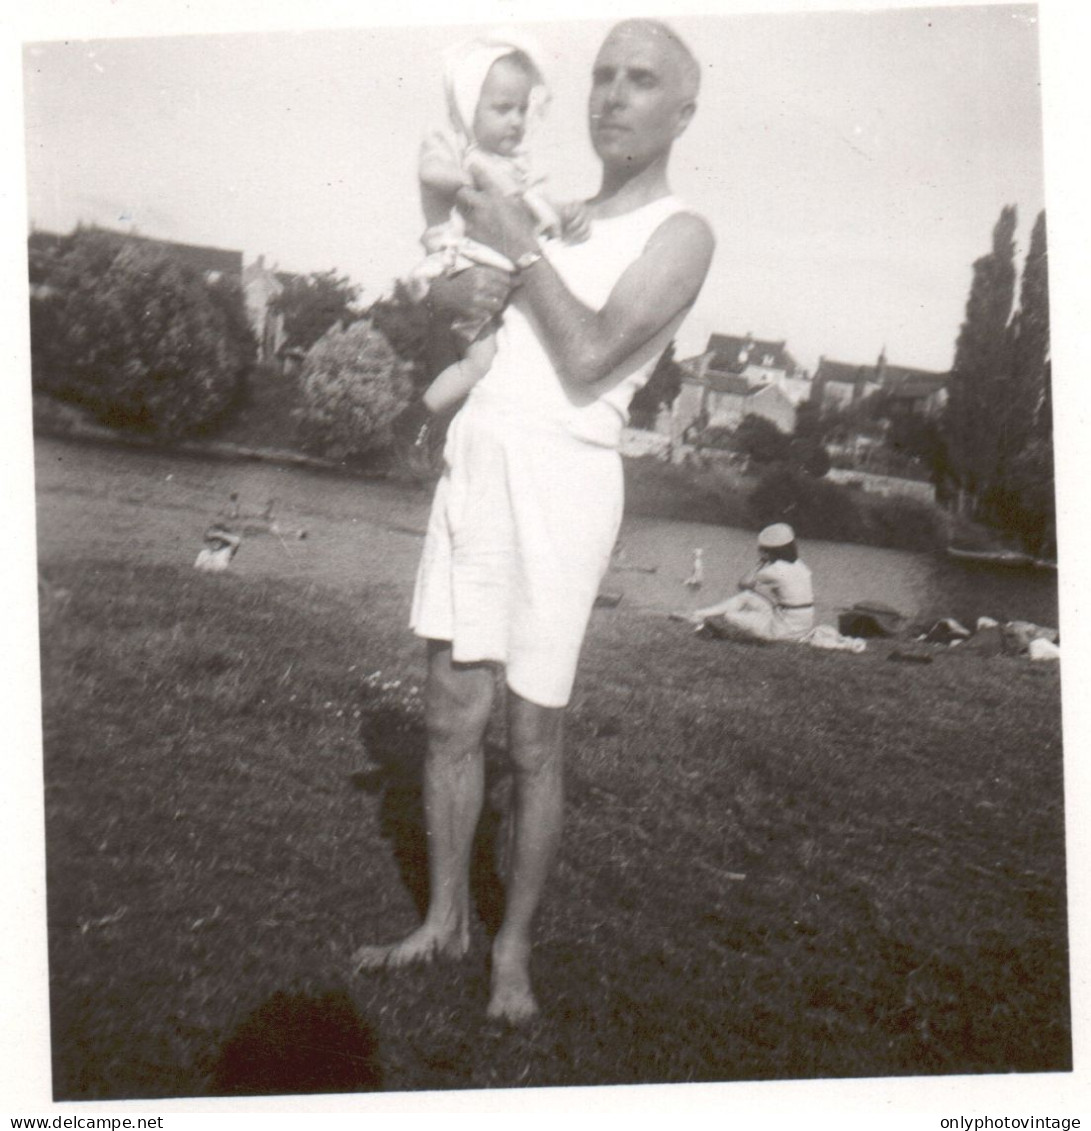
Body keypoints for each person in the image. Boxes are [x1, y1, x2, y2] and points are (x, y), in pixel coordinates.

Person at [353, 19, 715, 1024]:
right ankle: (442, 923)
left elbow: (594, 355)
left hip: (562, 485)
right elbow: (470, 306)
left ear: (681, 109)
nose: (610, 95)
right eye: (601, 76)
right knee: (447, 715)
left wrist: (520, 247)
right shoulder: (553, 211)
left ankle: (509, 950)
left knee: (530, 738)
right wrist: (459, 253)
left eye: (639, 81)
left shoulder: (680, 233)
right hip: (479, 459)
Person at [408, 36, 590, 422]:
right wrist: (474, 178)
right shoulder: (456, 146)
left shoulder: (519, 166)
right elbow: (430, 171)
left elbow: (535, 207)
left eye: (523, 110)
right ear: (468, 105)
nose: (516, 121)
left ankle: (426, 417)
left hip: (497, 286)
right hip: (457, 268)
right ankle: (417, 416)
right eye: (503, 109)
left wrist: (564, 212)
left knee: (481, 363)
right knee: (456, 350)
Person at [682, 524, 815, 641]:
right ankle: (698, 614)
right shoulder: (800, 565)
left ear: (769, 552)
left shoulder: (775, 570)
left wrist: (761, 562)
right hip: (802, 625)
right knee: (747, 596)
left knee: (730, 616)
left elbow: (743, 583)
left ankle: (698, 616)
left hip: (782, 630)